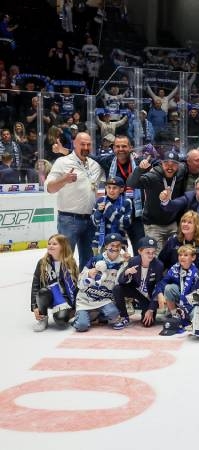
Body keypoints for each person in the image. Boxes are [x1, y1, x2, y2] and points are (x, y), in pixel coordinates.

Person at [45, 132, 105, 268]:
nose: (86, 147)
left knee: (89, 261)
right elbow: (49, 188)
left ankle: (83, 282)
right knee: (63, 259)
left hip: (91, 220)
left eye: (88, 144)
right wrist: (64, 180)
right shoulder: (62, 162)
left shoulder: (95, 165)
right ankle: (62, 282)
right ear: (74, 144)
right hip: (68, 220)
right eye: (82, 144)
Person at [127, 150, 186, 252]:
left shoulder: (181, 173)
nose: (170, 167)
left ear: (178, 165)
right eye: (166, 163)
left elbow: (189, 163)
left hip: (172, 224)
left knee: (175, 254)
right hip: (153, 225)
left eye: (173, 164)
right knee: (155, 255)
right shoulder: (152, 176)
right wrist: (140, 169)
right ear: (161, 163)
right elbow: (131, 184)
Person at [74, 233, 128, 332]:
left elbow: (123, 283)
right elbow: (80, 282)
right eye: (112, 245)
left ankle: (99, 315)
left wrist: (128, 262)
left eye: (118, 245)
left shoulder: (123, 262)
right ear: (106, 246)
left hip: (104, 300)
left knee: (113, 313)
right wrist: (88, 274)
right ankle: (83, 316)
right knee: (82, 326)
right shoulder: (96, 259)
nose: (115, 248)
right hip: (86, 300)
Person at [30, 234, 79, 332]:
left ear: (63, 246)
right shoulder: (42, 263)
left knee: (61, 321)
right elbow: (35, 285)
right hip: (48, 296)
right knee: (43, 291)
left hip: (64, 299)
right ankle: (43, 319)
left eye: (54, 244)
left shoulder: (70, 262)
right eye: (49, 243)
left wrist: (75, 307)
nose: (50, 246)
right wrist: (35, 306)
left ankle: (67, 313)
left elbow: (76, 286)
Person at [114, 236, 164, 328]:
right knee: (117, 289)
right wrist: (126, 272)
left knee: (147, 323)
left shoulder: (158, 265)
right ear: (140, 252)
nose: (151, 255)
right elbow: (120, 281)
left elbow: (158, 288)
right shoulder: (133, 261)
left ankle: (146, 309)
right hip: (135, 291)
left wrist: (151, 309)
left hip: (148, 297)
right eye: (147, 252)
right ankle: (124, 316)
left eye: (153, 252)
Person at [154, 244, 199, 331]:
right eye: (180, 255)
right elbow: (162, 282)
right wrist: (160, 293)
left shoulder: (196, 273)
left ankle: (185, 318)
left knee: (195, 316)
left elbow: (196, 296)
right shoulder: (175, 269)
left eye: (186, 255)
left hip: (192, 302)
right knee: (169, 288)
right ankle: (175, 315)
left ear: (193, 257)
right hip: (180, 298)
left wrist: (184, 310)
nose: (182, 257)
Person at [159, 211, 199, 276]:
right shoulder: (172, 241)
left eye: (189, 222)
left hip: (196, 280)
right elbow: (160, 263)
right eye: (183, 221)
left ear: (196, 226)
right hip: (175, 279)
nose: (185, 224)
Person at [91, 176, 133, 254]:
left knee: (120, 262)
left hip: (119, 243)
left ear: (121, 189)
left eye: (114, 188)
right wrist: (99, 211)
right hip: (99, 243)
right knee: (99, 261)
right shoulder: (100, 200)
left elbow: (126, 223)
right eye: (109, 187)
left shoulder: (127, 201)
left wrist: (109, 210)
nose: (111, 190)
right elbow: (94, 222)